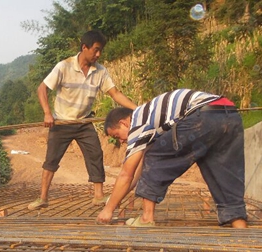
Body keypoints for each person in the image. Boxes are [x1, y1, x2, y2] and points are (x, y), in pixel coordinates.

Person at [96, 89, 248, 228]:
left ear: (123, 123)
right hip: (229, 114)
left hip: (202, 116)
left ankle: (146, 218)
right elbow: (138, 173)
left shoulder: (137, 122)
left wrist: (108, 210)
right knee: (224, 174)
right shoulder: (152, 119)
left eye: (117, 135)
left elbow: (126, 174)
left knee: (154, 155)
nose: (121, 141)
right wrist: (115, 199)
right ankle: (239, 225)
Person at [28, 30, 136, 211]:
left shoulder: (100, 71)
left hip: (84, 122)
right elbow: (42, 89)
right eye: (96, 50)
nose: (98, 54)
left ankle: (98, 196)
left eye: (100, 50)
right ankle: (43, 197)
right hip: (61, 122)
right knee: (51, 160)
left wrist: (137, 109)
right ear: (84, 47)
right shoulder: (64, 66)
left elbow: (115, 93)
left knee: (95, 154)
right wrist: (47, 113)